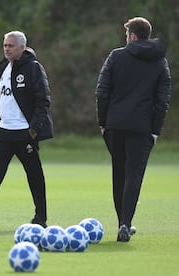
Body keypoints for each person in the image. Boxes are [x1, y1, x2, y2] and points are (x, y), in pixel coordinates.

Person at [0, 31, 53, 229]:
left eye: (11, 46)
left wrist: (34, 128)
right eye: (5, 45)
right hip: (3, 132)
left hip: (25, 133)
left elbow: (43, 100)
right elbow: (0, 99)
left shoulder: (33, 68)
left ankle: (41, 217)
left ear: (22, 47)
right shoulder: (2, 68)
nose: (6, 49)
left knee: (34, 174)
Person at [96, 17, 171, 242]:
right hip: (142, 127)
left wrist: (102, 121)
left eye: (127, 35)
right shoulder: (160, 62)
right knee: (134, 175)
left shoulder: (116, 56)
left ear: (133, 36)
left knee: (119, 173)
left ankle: (122, 222)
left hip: (115, 125)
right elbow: (162, 100)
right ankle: (125, 224)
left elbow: (102, 91)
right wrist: (155, 129)